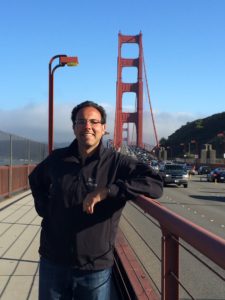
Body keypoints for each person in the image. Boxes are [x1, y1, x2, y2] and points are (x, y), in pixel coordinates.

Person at [29, 100, 163, 300]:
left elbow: (155, 184)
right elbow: (35, 179)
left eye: (94, 121)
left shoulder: (117, 162)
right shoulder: (57, 159)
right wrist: (45, 210)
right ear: (74, 127)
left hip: (95, 266)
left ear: (104, 128)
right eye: (81, 122)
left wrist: (108, 191)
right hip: (53, 260)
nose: (87, 126)